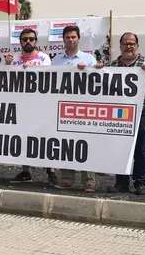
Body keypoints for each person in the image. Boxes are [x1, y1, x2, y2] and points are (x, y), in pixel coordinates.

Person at [104, 32, 145, 195]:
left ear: (137, 46)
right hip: (119, 112)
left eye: (132, 43)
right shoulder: (112, 65)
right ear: (120, 46)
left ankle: (140, 183)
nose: (129, 46)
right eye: (125, 43)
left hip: (141, 111)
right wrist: (98, 69)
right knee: (120, 147)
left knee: (141, 148)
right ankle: (121, 182)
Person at [51, 25, 104, 192]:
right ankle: (67, 178)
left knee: (86, 143)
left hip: (84, 107)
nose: (71, 40)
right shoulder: (56, 60)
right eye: (68, 37)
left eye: (73, 37)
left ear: (78, 39)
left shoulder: (88, 59)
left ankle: (89, 181)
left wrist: (90, 69)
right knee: (66, 143)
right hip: (63, 107)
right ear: (64, 39)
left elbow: (99, 79)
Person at [6, 28, 60, 187]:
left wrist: (33, 69)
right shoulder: (14, 57)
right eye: (24, 39)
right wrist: (7, 64)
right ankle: (26, 171)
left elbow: (48, 77)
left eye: (31, 39)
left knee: (43, 138)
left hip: (39, 105)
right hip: (20, 105)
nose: (28, 41)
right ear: (20, 42)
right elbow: (5, 80)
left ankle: (51, 171)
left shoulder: (44, 58)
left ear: (36, 41)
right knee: (23, 137)